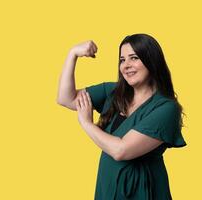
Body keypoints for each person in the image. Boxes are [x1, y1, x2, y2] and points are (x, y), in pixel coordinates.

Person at [56, 33, 187, 199]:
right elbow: (66, 98)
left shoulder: (166, 109)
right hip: (108, 188)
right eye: (122, 60)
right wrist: (72, 54)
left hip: (141, 192)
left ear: (151, 61)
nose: (126, 65)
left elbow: (121, 150)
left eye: (134, 58)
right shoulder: (113, 92)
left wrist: (86, 123)